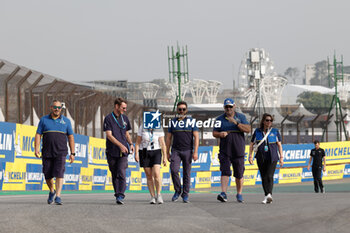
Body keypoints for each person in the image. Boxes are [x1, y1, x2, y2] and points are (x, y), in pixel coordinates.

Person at [34, 100, 75, 205]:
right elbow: (38, 134)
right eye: (55, 107)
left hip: (61, 153)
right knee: (47, 175)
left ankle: (58, 196)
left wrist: (72, 153)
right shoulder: (44, 120)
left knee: (59, 174)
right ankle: (52, 191)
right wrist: (36, 148)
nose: (57, 110)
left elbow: (70, 137)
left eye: (59, 108)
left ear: (61, 109)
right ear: (51, 108)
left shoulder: (66, 121)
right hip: (47, 152)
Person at [213, 98, 250, 203]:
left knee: (239, 173)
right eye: (226, 107)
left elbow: (248, 129)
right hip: (225, 150)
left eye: (230, 106)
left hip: (238, 150)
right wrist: (220, 134)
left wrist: (236, 123)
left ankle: (239, 193)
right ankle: (223, 193)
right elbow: (214, 133)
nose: (228, 108)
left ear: (234, 106)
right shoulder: (219, 119)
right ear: (224, 108)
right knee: (225, 171)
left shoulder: (241, 117)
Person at [166, 101, 199, 203]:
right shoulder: (172, 122)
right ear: (177, 110)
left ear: (186, 110)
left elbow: (196, 137)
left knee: (186, 174)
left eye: (183, 109)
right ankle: (177, 190)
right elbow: (168, 138)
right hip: (176, 151)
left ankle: (185, 194)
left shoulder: (192, 121)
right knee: (174, 170)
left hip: (188, 151)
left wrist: (195, 152)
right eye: (180, 109)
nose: (181, 111)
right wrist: (167, 152)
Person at [103, 97, 134, 204]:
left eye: (126, 108)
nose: (125, 110)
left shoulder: (125, 118)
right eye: (123, 108)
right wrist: (120, 145)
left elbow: (126, 133)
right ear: (117, 106)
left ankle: (121, 194)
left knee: (121, 172)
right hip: (112, 151)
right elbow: (109, 135)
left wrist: (130, 144)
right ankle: (117, 194)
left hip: (124, 152)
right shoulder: (108, 118)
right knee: (114, 173)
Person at [248, 113, 284, 204]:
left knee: (269, 175)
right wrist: (250, 156)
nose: (269, 122)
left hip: (273, 157)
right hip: (261, 157)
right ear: (263, 121)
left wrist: (281, 157)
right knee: (263, 176)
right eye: (267, 120)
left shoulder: (275, 131)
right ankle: (267, 195)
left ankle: (269, 194)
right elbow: (252, 144)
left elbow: (279, 145)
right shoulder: (257, 131)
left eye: (271, 120)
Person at [135, 124, 167, 204]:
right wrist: (136, 154)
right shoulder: (142, 126)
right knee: (149, 175)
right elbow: (138, 142)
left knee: (156, 173)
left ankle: (159, 194)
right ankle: (152, 196)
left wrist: (165, 157)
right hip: (144, 151)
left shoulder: (158, 126)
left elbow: (162, 143)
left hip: (156, 151)